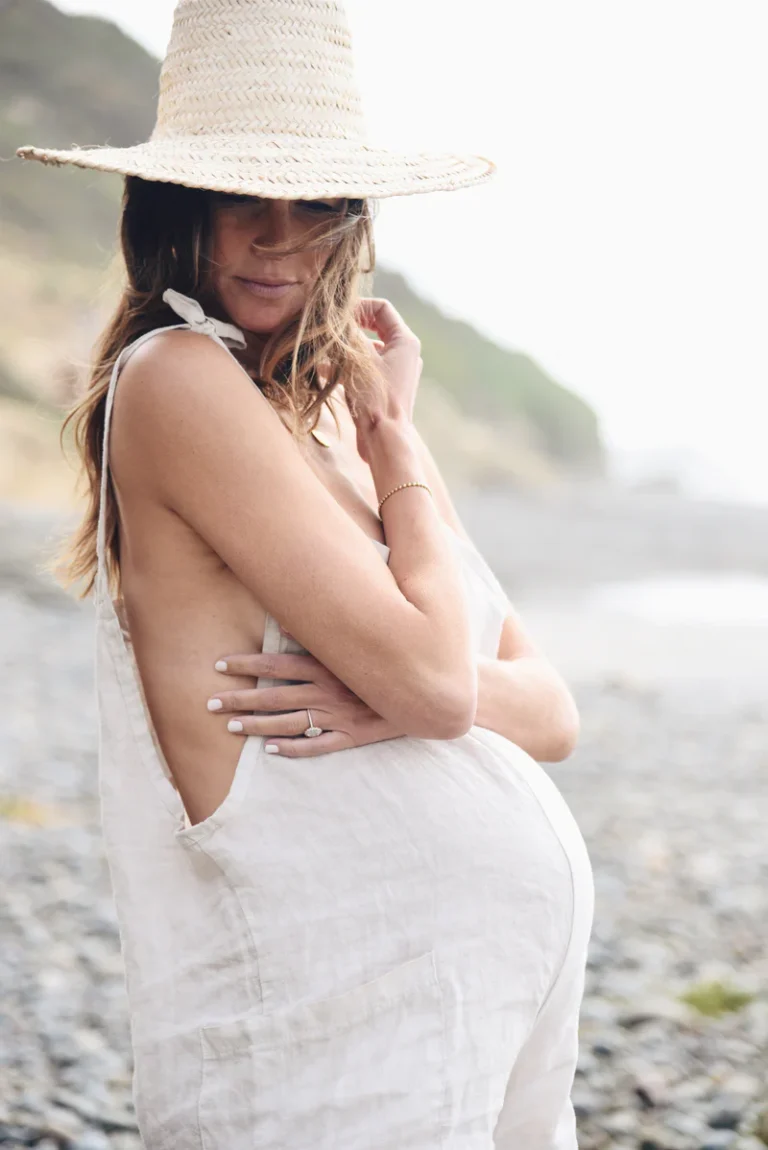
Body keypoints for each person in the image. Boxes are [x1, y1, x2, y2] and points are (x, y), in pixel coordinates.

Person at [18, 1, 594, 1146]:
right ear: (176, 207)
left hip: (453, 1014)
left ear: (353, 220)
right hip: (321, 1021)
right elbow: (443, 683)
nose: (277, 239)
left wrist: (391, 449)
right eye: (242, 198)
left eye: (315, 203)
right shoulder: (178, 380)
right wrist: (413, 676)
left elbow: (552, 709)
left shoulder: (337, 426)